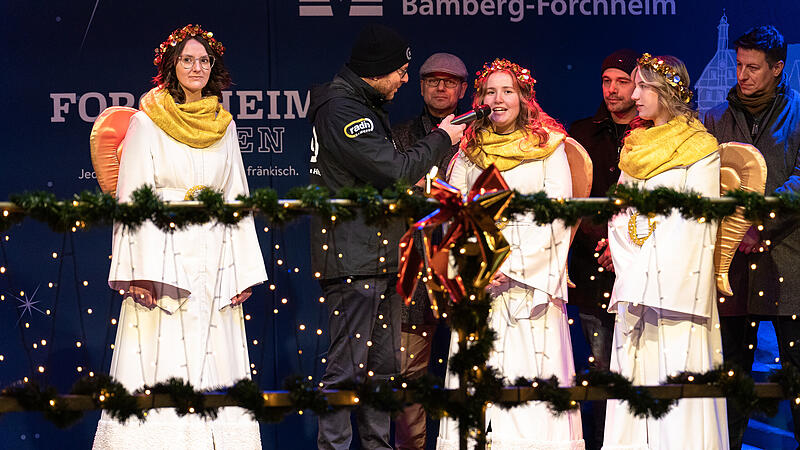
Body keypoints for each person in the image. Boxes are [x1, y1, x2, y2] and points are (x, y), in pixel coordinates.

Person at [93, 25, 267, 449]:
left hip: (216, 258)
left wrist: (243, 270)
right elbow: (132, 198)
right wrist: (137, 271)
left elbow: (237, 196)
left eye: (204, 60)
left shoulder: (224, 126)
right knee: (160, 356)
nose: (196, 67)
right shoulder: (147, 122)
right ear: (172, 66)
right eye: (187, 60)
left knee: (216, 360)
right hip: (163, 258)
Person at [307, 24, 465, 450]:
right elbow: (395, 172)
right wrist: (442, 138)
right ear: (376, 70)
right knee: (345, 373)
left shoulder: (364, 104)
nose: (404, 79)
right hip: (352, 259)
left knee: (383, 373)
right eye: (401, 71)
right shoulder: (342, 109)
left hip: (380, 258)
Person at [437, 58, 583, 450]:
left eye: (507, 91)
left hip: (530, 285)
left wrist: (513, 264)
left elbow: (558, 214)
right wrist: (481, 263)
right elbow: (454, 213)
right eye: (490, 92)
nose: (498, 99)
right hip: (483, 284)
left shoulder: (549, 147)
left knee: (531, 383)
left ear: (523, 97)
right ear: (479, 100)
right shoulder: (468, 151)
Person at [604, 53, 728, 450]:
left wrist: (649, 264)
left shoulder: (700, 147)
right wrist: (632, 264)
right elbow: (620, 213)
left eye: (643, 86)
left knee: (676, 378)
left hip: (676, 289)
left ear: (667, 91)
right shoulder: (635, 145)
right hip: (634, 282)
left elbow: (698, 220)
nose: (633, 95)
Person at [704, 25, 800, 450]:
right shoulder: (715, 118)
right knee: (733, 377)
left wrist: (759, 223)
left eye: (753, 68)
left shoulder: (798, 113)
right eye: (740, 65)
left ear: (777, 68)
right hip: (733, 266)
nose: (742, 75)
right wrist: (737, 229)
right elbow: (708, 185)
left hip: (788, 262)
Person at [391, 51, 468, 450]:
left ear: (463, 90)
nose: (441, 87)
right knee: (408, 377)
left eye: (449, 81)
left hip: (467, 270)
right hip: (415, 270)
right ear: (420, 87)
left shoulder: (482, 137)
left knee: (473, 370)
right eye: (433, 80)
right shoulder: (399, 137)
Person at [567, 48, 638, 449]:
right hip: (594, 273)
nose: (612, 90)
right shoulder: (581, 133)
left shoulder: (652, 134)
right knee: (599, 374)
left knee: (636, 375)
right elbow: (572, 198)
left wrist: (622, 243)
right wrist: (604, 241)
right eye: (606, 81)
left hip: (639, 273)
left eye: (622, 82)